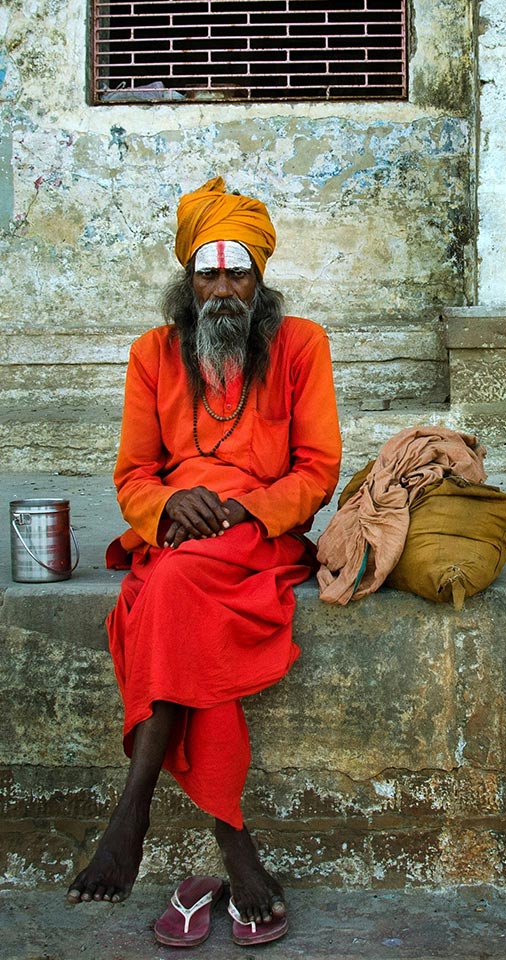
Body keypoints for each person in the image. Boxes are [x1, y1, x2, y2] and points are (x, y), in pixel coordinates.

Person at [66, 177, 342, 943]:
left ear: (260, 280)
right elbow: (133, 475)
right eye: (209, 275)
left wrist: (246, 508)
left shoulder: (301, 345)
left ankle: (132, 812)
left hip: (259, 536)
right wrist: (165, 505)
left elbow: (317, 470)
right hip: (177, 535)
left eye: (238, 274)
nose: (223, 290)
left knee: (169, 591)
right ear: (188, 281)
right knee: (179, 596)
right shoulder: (152, 354)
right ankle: (233, 842)